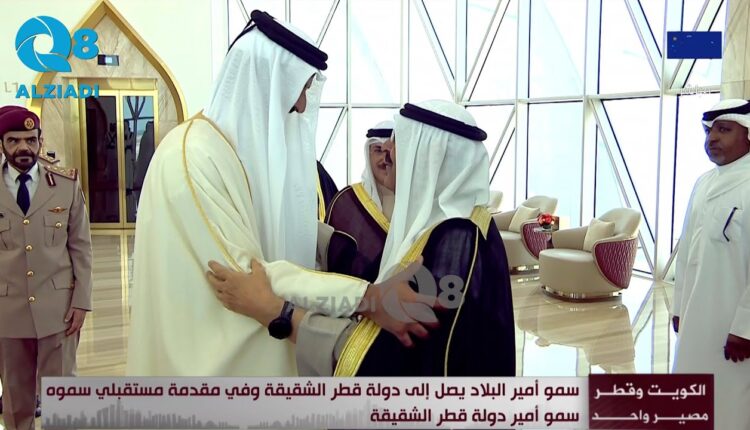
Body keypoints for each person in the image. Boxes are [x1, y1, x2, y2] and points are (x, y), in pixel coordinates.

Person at [126, 11, 429, 377]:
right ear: (264, 80)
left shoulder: (228, 150)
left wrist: (338, 248)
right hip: (207, 360)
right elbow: (248, 280)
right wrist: (366, 297)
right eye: (299, 88)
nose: (301, 105)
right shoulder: (192, 157)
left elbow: (275, 220)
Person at [208, 100, 516, 377]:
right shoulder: (470, 223)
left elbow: (383, 360)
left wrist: (275, 311)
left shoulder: (453, 241)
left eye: (398, 143)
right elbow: (366, 277)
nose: (388, 153)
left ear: (427, 158)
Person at [0, 105, 92, 429]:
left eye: (30, 139)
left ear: (41, 140)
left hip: (59, 310)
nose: (23, 147)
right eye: (13, 140)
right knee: (15, 401)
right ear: (2, 144)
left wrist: (82, 301)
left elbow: (81, 247)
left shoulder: (66, 184)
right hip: (7, 311)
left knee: (63, 397)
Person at [673, 98, 750, 429]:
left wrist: (745, 328)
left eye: (724, 130)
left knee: (731, 400)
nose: (712, 138)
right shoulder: (703, 183)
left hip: (733, 323)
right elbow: (686, 252)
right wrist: (679, 306)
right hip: (696, 316)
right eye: (709, 131)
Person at [325, 121, 395, 281]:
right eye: (378, 150)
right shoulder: (347, 200)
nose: (385, 159)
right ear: (368, 154)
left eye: (390, 152)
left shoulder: (416, 201)